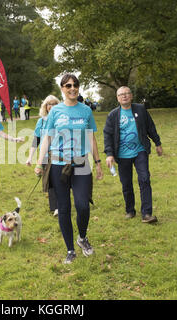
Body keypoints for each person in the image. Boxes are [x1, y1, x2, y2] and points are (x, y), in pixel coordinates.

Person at [34, 74, 103, 264]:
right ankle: (70, 250)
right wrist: (40, 163)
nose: (72, 88)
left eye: (75, 85)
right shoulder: (55, 112)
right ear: (62, 88)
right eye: (68, 85)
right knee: (63, 208)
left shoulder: (86, 111)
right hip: (58, 164)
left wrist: (98, 163)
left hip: (81, 164)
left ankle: (82, 238)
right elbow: (46, 138)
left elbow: (91, 138)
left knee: (82, 205)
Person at [103, 86, 163, 223]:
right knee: (126, 184)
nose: (124, 96)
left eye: (127, 93)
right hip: (122, 155)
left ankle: (147, 214)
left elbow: (150, 127)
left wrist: (157, 143)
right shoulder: (113, 115)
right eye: (121, 94)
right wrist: (109, 154)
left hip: (140, 151)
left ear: (131, 96)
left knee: (145, 179)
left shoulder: (140, 110)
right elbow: (108, 135)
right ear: (117, 98)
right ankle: (130, 210)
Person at [26, 95, 60, 216]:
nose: (52, 106)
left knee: (58, 179)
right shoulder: (41, 121)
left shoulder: (61, 119)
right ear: (45, 106)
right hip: (45, 154)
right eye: (49, 104)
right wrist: (30, 157)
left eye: (54, 104)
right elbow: (36, 140)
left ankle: (59, 206)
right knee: (49, 179)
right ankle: (54, 207)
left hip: (59, 153)